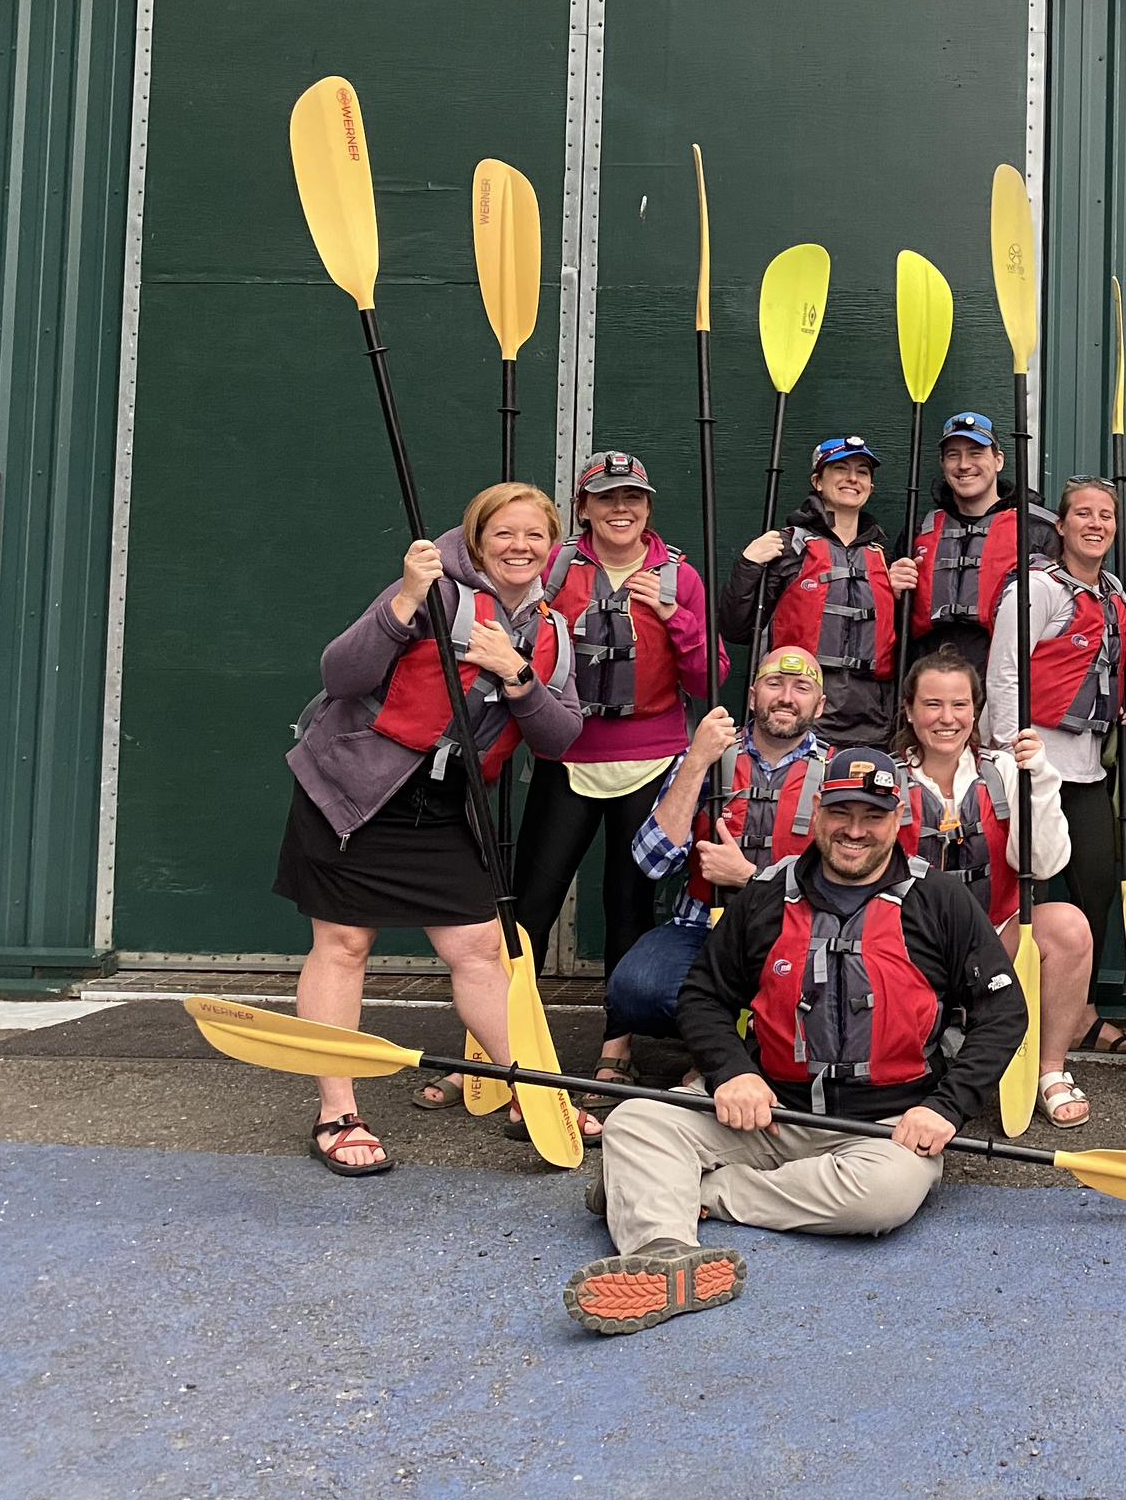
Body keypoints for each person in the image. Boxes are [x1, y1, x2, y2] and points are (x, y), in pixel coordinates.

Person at [567, 747, 1025, 1335]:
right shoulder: (763, 894)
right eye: (841, 812)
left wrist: (947, 1107)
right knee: (636, 1122)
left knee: (885, 1197)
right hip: (769, 1118)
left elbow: (1003, 1011)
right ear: (817, 809)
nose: (855, 830)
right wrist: (732, 1071)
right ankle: (664, 1252)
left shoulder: (940, 900)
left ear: (898, 818)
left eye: (873, 815)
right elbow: (704, 995)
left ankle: (699, 1194)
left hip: (883, 1131)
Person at [275, 482, 585, 1173]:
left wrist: (517, 674)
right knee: (344, 943)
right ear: (476, 540)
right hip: (354, 792)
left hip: (445, 807)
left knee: (478, 946)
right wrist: (403, 600)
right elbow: (340, 671)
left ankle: (531, 1089)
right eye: (503, 533)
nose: (520, 547)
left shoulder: (552, 631)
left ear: (553, 545)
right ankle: (337, 1111)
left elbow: (561, 739)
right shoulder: (431, 590)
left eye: (534, 535)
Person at [502, 451, 718, 1094]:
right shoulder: (553, 567)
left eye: (633, 498)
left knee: (627, 906)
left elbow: (707, 679)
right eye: (606, 498)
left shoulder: (678, 576)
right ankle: (503, 1044)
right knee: (530, 906)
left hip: (650, 758)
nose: (620, 508)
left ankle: (614, 1048)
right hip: (565, 756)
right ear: (584, 508)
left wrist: (673, 618)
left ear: (648, 507)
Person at [602, 648, 832, 1061]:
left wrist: (751, 877)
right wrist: (696, 761)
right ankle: (729, 1047)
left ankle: (730, 1056)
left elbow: (849, 880)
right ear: (751, 695)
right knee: (636, 988)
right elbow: (652, 860)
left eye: (802, 688)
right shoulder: (708, 752)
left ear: (820, 704)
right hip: (701, 927)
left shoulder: (837, 770)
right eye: (774, 683)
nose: (786, 697)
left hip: (797, 933)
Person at [891, 648, 1087, 1124]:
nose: (946, 718)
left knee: (1068, 927)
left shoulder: (1004, 771)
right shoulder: (886, 778)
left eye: (959, 705)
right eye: (932, 704)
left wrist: (1038, 780)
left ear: (975, 710)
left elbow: (1042, 864)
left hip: (992, 938)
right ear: (910, 710)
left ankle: (1050, 1071)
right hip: (906, 946)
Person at [982, 476, 1126, 1060]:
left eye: (1106, 516)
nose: (1096, 524)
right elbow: (1005, 673)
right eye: (1084, 515)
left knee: (1094, 889)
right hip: (1036, 765)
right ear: (1062, 526)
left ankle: (1079, 1013)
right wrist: (1007, 756)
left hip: (1089, 767)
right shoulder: (1037, 589)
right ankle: (1018, 1019)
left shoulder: (1113, 592)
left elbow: (1091, 668)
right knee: (1029, 900)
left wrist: (1114, 703)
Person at [726, 435, 919, 745]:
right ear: (817, 480)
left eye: (863, 472)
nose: (852, 478)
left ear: (870, 487)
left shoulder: (883, 561)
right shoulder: (788, 548)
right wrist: (748, 566)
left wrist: (894, 595)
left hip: (873, 728)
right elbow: (736, 629)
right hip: (798, 723)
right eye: (840, 468)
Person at [906, 409, 1061, 672]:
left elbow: (1074, 621)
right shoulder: (919, 530)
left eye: (976, 453)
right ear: (943, 463)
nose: (964, 464)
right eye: (953, 455)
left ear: (998, 460)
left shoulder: (1038, 530)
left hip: (1007, 680)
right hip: (930, 681)